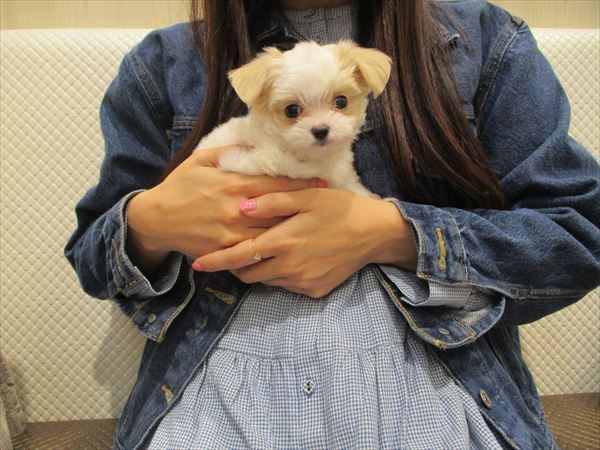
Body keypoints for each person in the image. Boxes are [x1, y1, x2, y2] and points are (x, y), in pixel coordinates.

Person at [64, 0, 600, 448]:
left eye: (341, 103)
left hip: (431, 387)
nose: (320, 124)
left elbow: (579, 235)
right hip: (217, 393)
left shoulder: (485, 40)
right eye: (292, 111)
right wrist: (148, 223)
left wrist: (396, 233)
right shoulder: (164, 62)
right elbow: (92, 257)